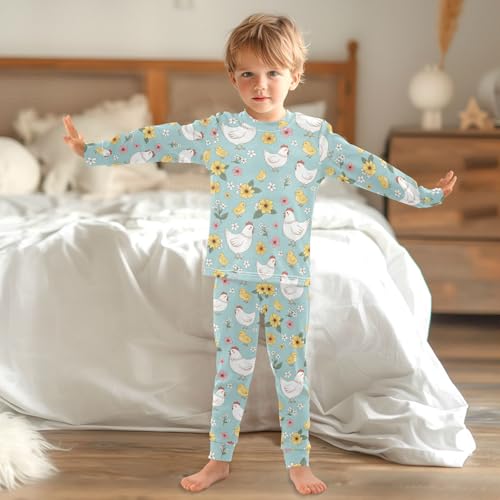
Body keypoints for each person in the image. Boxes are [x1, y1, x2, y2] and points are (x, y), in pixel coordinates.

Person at [63, 13, 457, 496]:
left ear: (296, 75)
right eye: (248, 73)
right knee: (231, 372)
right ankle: (218, 459)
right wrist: (93, 152)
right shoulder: (218, 133)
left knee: (292, 372)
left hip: (288, 276)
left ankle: (298, 462)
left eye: (273, 72)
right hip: (233, 275)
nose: (260, 84)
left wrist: (425, 195)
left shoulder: (314, 138)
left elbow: (370, 169)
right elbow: (160, 139)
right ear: (233, 78)